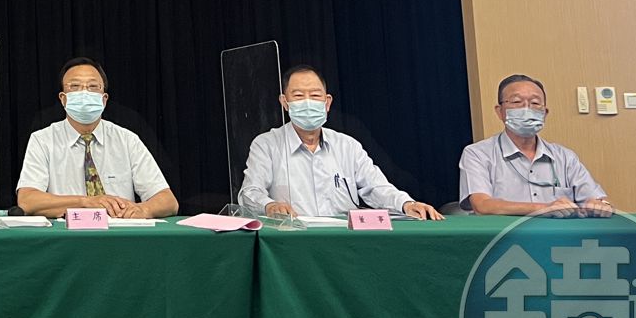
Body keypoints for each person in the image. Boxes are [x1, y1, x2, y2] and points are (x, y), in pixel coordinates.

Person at [238, 64, 442, 220]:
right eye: (298, 96)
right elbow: (250, 192)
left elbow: (376, 187)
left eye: (315, 95)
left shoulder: (347, 146)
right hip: (293, 240)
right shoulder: (266, 145)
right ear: (285, 102)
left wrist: (406, 204)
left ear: (327, 103)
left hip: (342, 240)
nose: (307, 102)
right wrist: (269, 206)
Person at [16, 57, 179, 219]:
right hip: (67, 231)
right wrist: (85, 202)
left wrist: (143, 210)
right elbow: (27, 200)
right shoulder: (43, 140)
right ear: (63, 99)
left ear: (104, 99)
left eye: (93, 87)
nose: (84, 93)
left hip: (119, 231)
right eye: (75, 86)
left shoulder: (127, 140)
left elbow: (168, 201)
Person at [459, 74, 612, 216]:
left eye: (535, 103)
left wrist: (598, 205)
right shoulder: (477, 153)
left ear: (545, 113)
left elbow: (594, 198)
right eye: (517, 102)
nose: (527, 108)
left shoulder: (565, 157)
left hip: (559, 235)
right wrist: (544, 208)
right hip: (504, 235)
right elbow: (482, 205)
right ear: (500, 111)